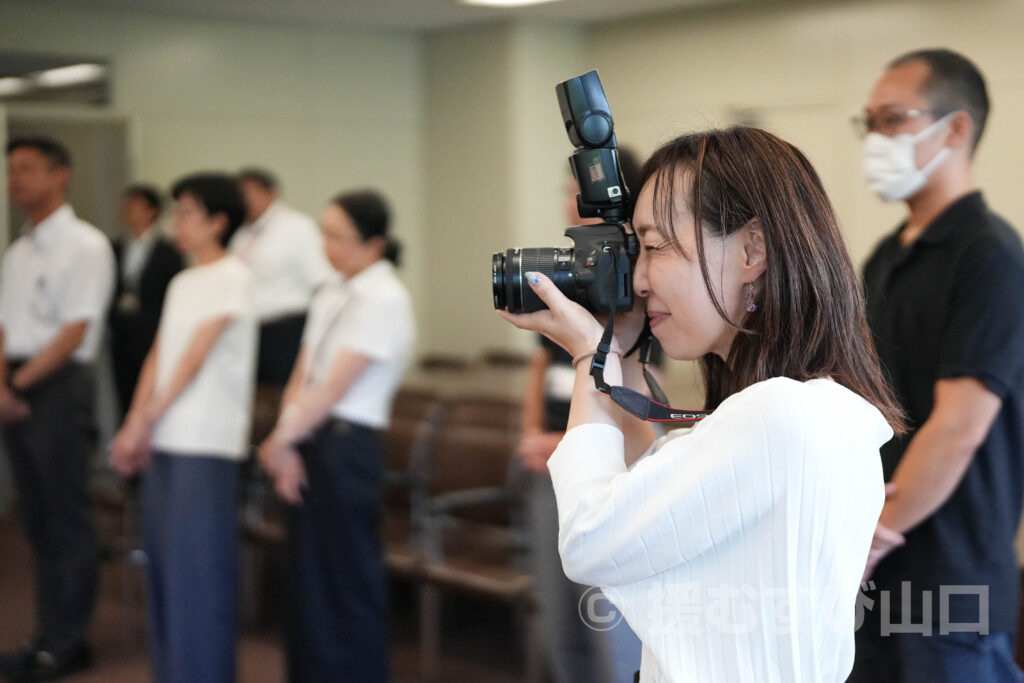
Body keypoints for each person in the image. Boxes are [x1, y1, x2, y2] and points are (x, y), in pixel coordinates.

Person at [499, 127, 906, 682]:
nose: (638, 280)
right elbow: (647, 488)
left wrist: (588, 361)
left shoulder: (777, 415)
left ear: (751, 249)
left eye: (656, 246)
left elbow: (591, 542)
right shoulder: (823, 409)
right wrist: (616, 353)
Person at [850, 49, 1024, 683]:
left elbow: (957, 428)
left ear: (955, 129)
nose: (876, 139)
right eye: (868, 122)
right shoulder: (886, 258)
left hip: (950, 581)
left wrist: (872, 535)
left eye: (893, 120)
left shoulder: (992, 258)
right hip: (877, 578)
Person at [258, 189, 414, 682]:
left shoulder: (384, 296)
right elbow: (302, 374)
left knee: (346, 583)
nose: (327, 246)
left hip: (348, 447)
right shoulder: (330, 289)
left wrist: (281, 442)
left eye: (338, 237)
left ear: (373, 244)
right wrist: (286, 442)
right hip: (310, 441)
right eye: (323, 233)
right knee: (306, 583)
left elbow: (334, 385)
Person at [110, 172, 256, 683]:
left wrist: (143, 422)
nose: (178, 222)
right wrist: (136, 420)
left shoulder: (234, 276)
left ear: (219, 221)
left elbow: (195, 358)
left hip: (205, 442)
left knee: (200, 576)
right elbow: (160, 354)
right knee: (167, 572)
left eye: (187, 212)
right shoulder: (182, 280)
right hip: (165, 437)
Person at [518, 156, 643, 683]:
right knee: (558, 611)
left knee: (605, 617)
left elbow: (632, 382)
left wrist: (567, 442)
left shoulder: (632, 281)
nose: (572, 201)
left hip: (598, 457)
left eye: (582, 191)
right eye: (570, 190)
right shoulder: (570, 267)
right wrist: (530, 434)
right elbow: (542, 358)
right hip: (550, 459)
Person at [0, 136, 115, 682]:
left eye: (27, 169)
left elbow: (76, 330)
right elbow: (2, 327)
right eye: (10, 170)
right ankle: (46, 634)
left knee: (67, 517)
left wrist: (16, 385)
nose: (14, 179)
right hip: (16, 385)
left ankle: (69, 641)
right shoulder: (17, 250)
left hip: (58, 385)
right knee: (37, 517)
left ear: (59, 175)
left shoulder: (86, 245)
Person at [231, 168, 333, 386]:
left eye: (247, 191)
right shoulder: (241, 234)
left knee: (280, 395)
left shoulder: (297, 227)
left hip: (284, 331)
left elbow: (321, 281)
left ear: (270, 192)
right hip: (248, 329)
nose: (242, 198)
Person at [109, 184, 184, 416]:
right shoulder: (115, 247)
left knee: (151, 392)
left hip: (152, 330)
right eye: (127, 206)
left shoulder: (169, 251)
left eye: (137, 206)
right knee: (124, 395)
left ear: (153, 212)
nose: (129, 211)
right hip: (122, 332)